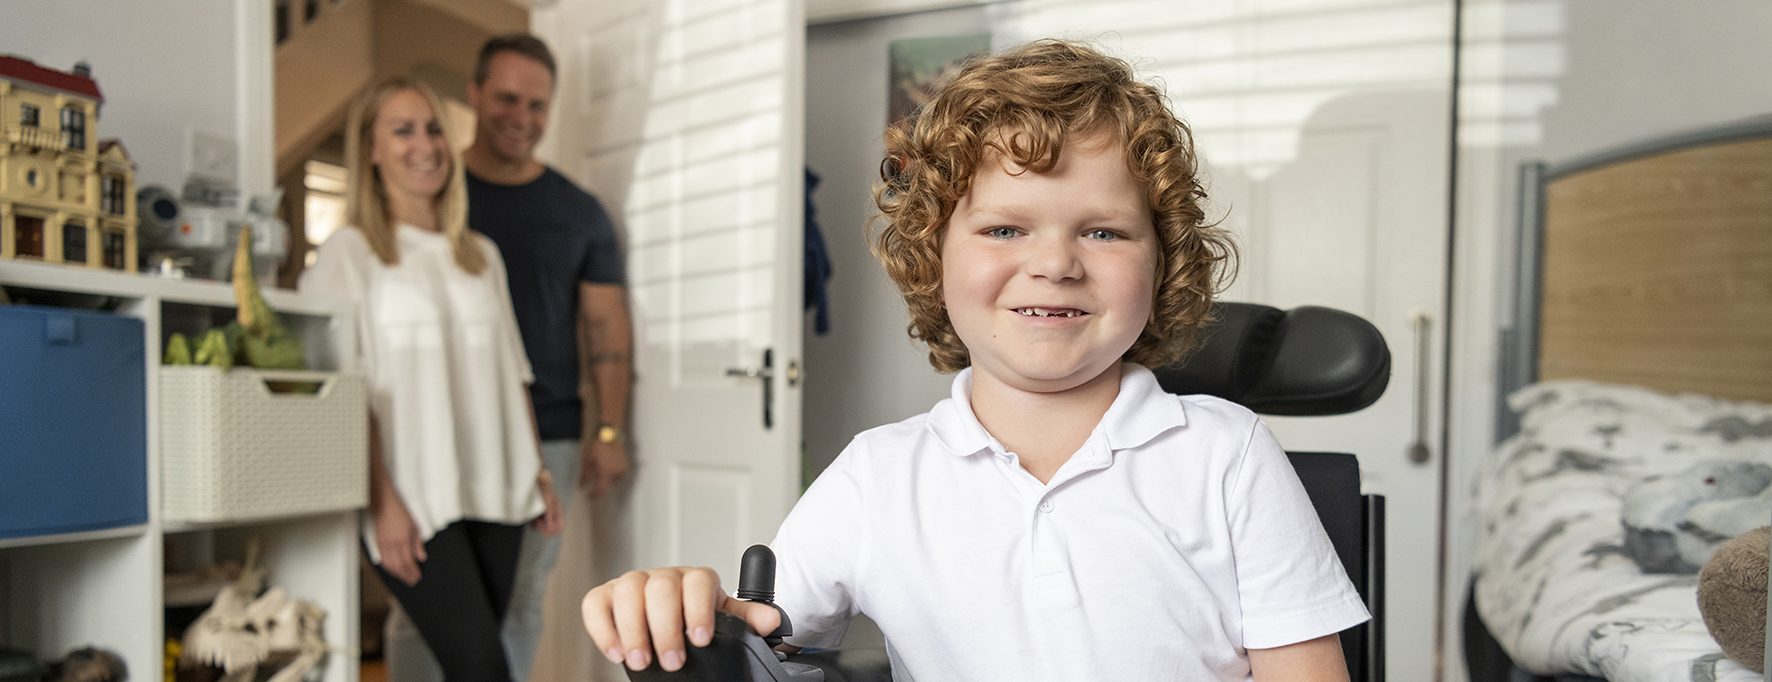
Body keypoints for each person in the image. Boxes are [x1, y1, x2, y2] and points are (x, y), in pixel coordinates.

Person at [579, 39, 1370, 680]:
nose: (1055, 263)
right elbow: (753, 638)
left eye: (1103, 231)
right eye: (1003, 229)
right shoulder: (876, 477)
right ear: (934, 257)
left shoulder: (1224, 455)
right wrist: (679, 613)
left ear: (1162, 264)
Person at [382, 33, 635, 682]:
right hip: (431, 435)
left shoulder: (577, 212)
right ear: (475, 95)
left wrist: (607, 430)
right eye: (507, 99)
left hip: (541, 434)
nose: (522, 117)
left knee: (519, 602)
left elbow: (606, 325)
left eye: (537, 105)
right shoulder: (428, 192)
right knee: (423, 608)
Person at [300, 77, 562, 682]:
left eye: (434, 128)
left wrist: (539, 473)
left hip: (499, 488)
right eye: (403, 130)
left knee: (471, 662)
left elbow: (513, 374)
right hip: (416, 500)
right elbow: (346, 394)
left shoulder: (480, 254)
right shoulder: (349, 254)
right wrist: (383, 504)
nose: (425, 144)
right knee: (483, 669)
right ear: (370, 150)